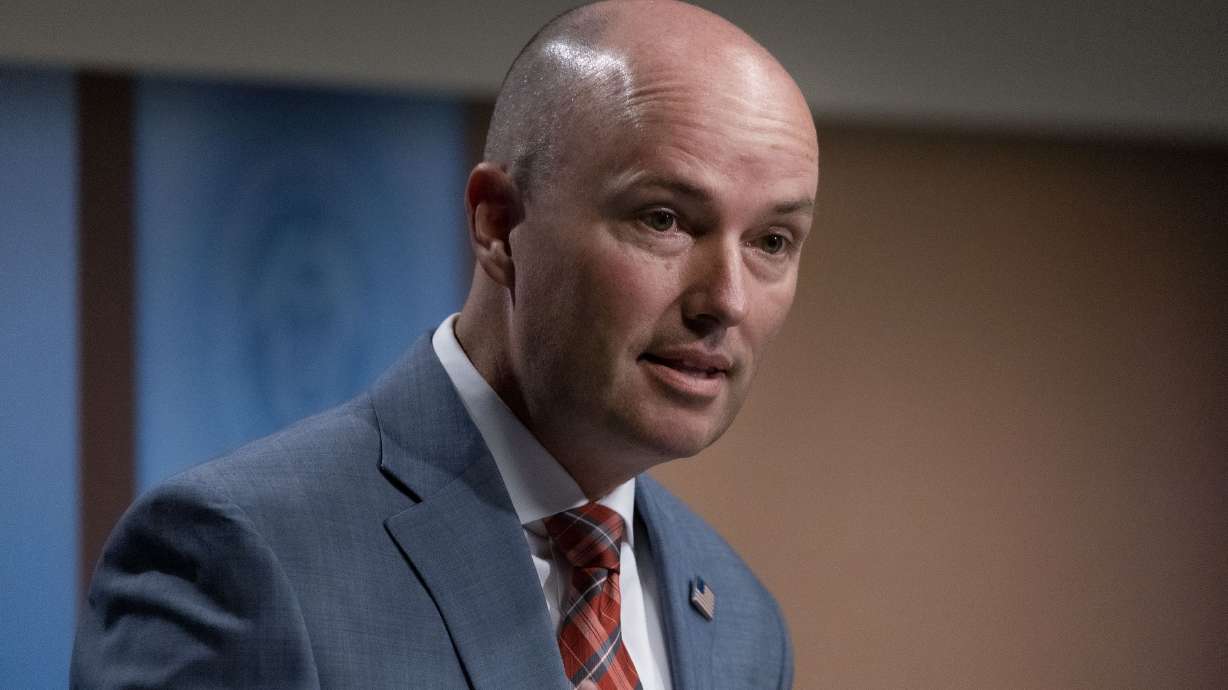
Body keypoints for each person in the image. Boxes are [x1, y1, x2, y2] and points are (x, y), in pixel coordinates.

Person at [71, 1, 819, 687]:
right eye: (663, 219)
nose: (726, 299)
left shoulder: (743, 624)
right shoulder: (237, 558)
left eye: (773, 241)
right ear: (498, 223)